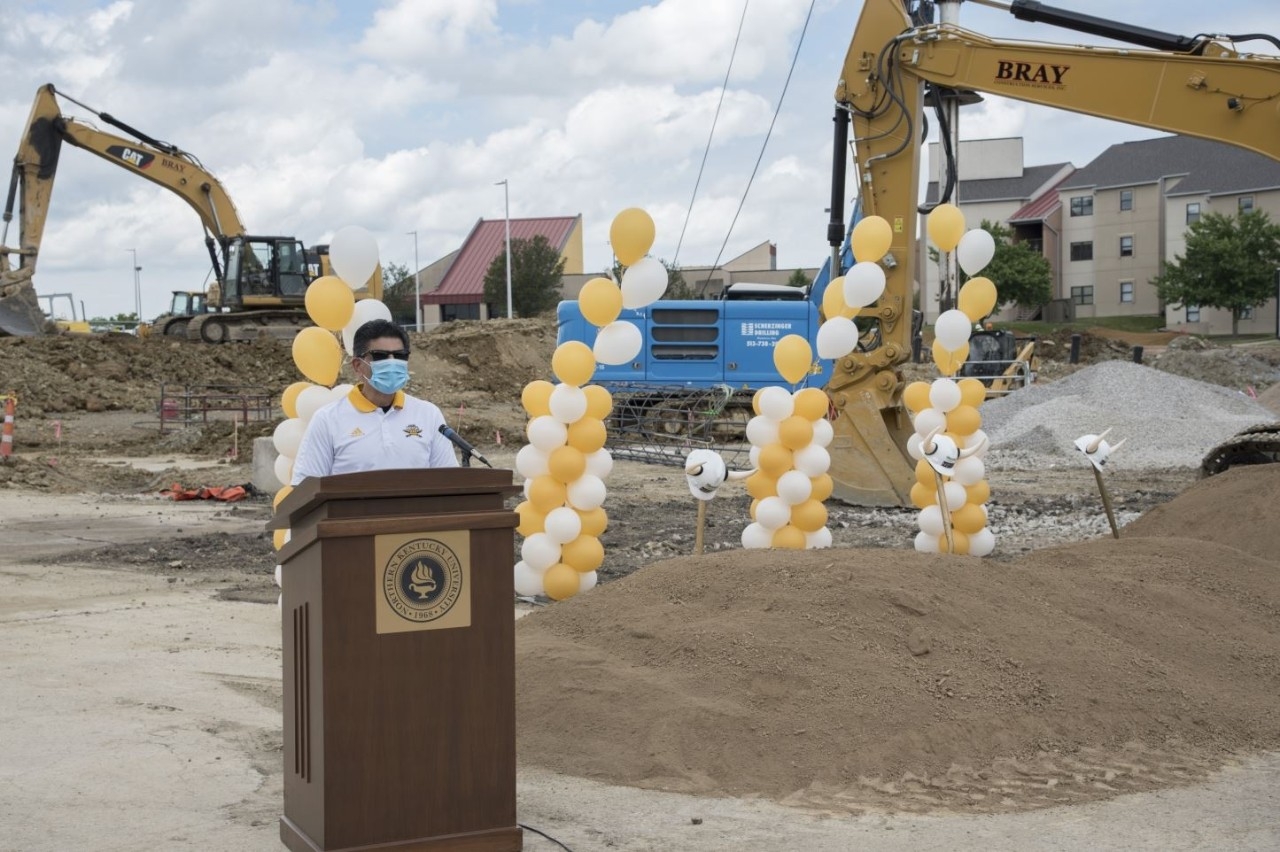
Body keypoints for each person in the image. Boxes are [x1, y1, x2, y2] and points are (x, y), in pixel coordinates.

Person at [290, 319, 459, 484]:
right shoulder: (328, 420)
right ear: (357, 365)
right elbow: (304, 488)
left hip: (416, 512)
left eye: (400, 356)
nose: (392, 363)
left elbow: (449, 480)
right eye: (380, 356)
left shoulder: (428, 414)